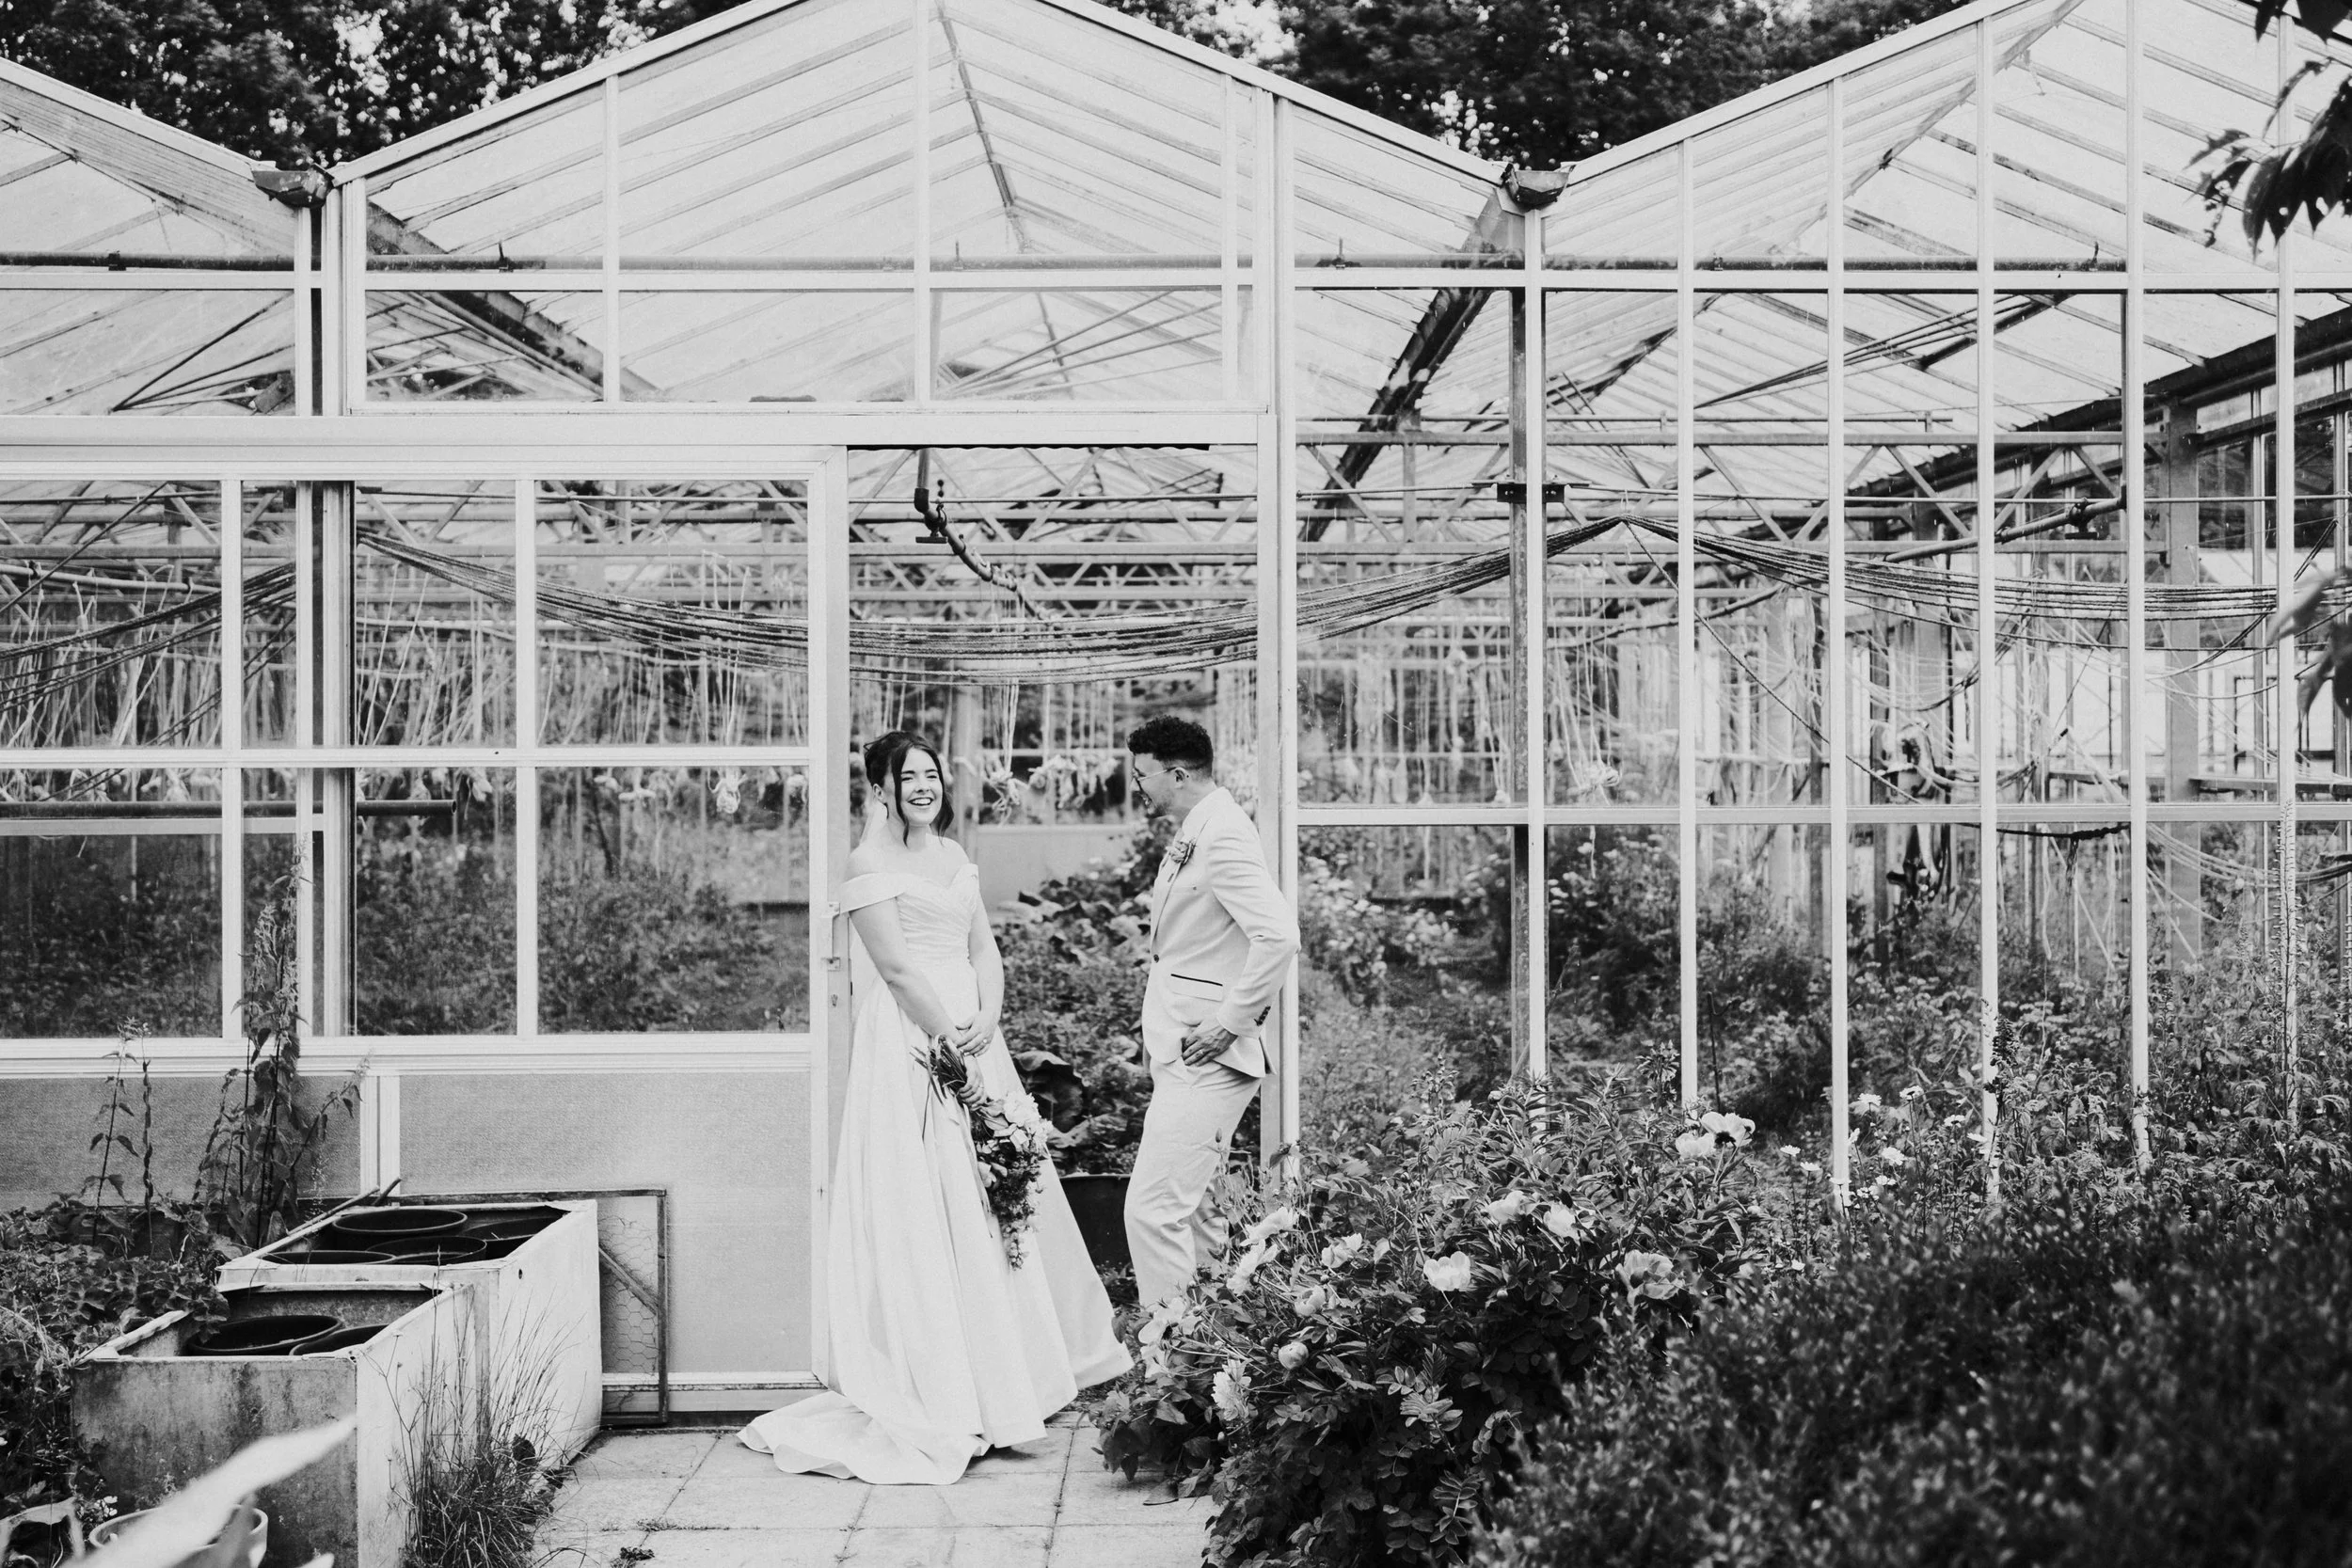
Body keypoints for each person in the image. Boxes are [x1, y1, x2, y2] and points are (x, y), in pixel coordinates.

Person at [739, 732, 1128, 1485]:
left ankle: (1013, 1383)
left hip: (976, 1034)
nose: (923, 785)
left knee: (997, 1195)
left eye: (931, 774)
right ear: (880, 787)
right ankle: (951, 1390)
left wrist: (989, 1014)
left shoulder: (954, 857)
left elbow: (986, 947)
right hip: (914, 1046)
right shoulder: (867, 865)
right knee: (939, 1192)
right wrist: (950, 1041)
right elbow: (894, 967)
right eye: (906, 776)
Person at [1123, 715, 1301, 1310]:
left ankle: (1167, 1357)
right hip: (1181, 1044)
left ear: (1176, 774)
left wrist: (1229, 1022)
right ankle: (1211, 1358)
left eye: (1142, 774)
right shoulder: (1198, 826)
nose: (1137, 786)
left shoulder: (1223, 833)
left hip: (1210, 1052)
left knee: (1152, 1211)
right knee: (1196, 1213)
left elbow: (1278, 937)